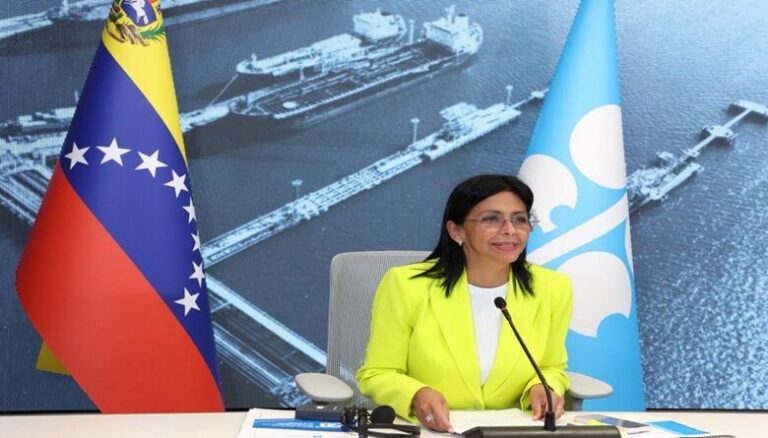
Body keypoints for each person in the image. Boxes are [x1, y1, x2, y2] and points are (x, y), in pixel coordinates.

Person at [355, 174, 573, 433]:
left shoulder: (552, 288)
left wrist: (542, 387)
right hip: (432, 430)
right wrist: (416, 393)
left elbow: (551, 367)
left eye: (520, 219)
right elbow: (378, 372)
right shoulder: (406, 285)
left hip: (512, 430)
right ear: (456, 230)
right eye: (492, 219)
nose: (510, 230)